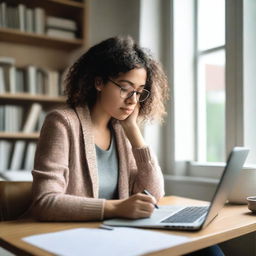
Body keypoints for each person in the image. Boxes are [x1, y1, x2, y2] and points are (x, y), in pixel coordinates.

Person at [30, 35, 169, 221]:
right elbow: (44, 202)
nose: (133, 100)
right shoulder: (62, 123)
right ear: (99, 83)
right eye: (125, 88)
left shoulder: (121, 132)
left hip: (115, 233)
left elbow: (153, 195)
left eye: (138, 92)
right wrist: (116, 208)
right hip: (73, 237)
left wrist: (133, 131)